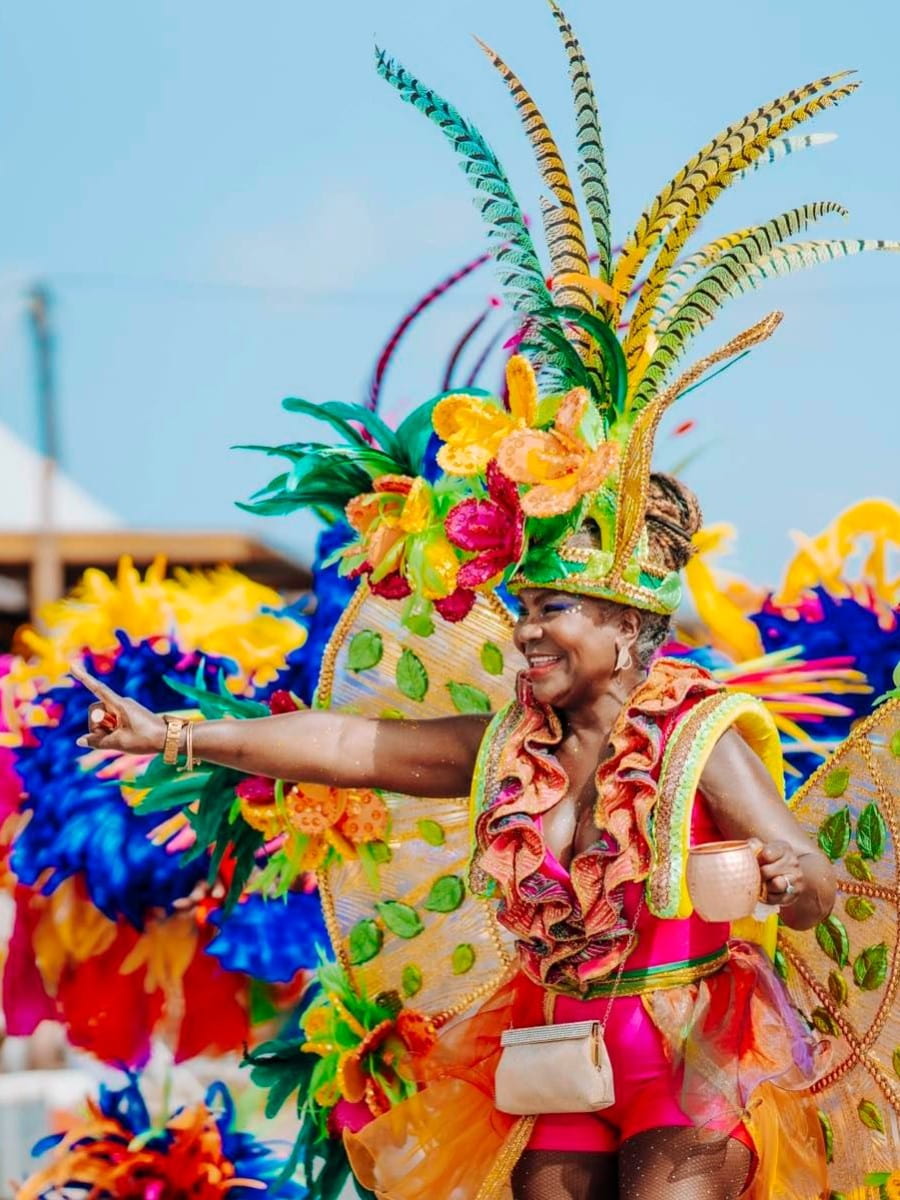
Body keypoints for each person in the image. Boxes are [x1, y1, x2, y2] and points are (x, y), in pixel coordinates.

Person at [72, 6, 898, 1196]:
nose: (524, 627)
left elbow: (812, 881)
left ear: (630, 627)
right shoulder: (510, 743)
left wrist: (789, 882)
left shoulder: (700, 738)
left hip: (699, 1060)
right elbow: (348, 744)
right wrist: (179, 734)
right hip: (556, 1059)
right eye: (523, 604)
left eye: (554, 607)